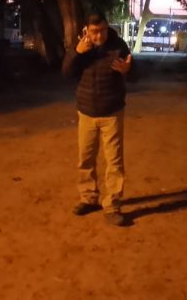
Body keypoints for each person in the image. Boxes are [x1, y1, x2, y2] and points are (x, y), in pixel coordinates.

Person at [62, 12, 133, 226]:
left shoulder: (118, 46)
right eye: (94, 31)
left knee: (114, 162)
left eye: (102, 30)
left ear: (107, 27)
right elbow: (66, 73)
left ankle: (112, 205)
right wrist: (76, 53)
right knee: (86, 159)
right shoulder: (80, 46)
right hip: (86, 112)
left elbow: (134, 72)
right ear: (87, 30)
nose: (99, 35)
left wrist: (128, 70)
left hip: (112, 112)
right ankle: (88, 198)